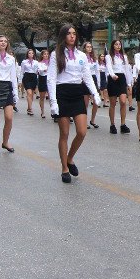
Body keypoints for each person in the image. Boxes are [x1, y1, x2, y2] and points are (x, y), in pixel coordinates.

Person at [47, 24, 101, 183]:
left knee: (82, 132)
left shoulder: (81, 55)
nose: (72, 36)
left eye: (74, 33)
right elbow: (51, 78)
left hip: (77, 92)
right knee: (64, 134)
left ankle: (70, 158)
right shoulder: (56, 54)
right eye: (69, 33)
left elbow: (87, 77)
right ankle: (64, 168)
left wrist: (95, 93)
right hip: (62, 92)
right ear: (63, 36)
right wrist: (53, 102)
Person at [105, 40, 131, 135]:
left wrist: (129, 83)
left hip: (122, 78)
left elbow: (127, 70)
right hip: (113, 79)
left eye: (119, 44)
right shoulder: (108, 56)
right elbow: (109, 67)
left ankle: (123, 124)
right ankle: (112, 125)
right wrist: (112, 75)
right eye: (116, 44)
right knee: (113, 103)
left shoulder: (124, 57)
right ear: (113, 46)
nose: (118, 46)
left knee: (123, 102)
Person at [81, 42, 100, 129]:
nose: (89, 48)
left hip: (93, 78)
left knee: (96, 101)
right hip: (85, 79)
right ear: (84, 48)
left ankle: (92, 120)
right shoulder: (82, 57)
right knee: (85, 103)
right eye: (87, 47)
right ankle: (84, 121)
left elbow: (97, 71)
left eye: (90, 47)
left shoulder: (94, 58)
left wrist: (98, 83)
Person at [20, 48, 39, 116]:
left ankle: (29, 107)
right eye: (29, 53)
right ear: (27, 54)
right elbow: (22, 71)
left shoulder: (36, 62)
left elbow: (37, 71)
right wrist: (20, 80)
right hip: (27, 77)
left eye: (32, 53)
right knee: (29, 93)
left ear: (34, 54)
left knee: (32, 94)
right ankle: (30, 109)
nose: (31, 54)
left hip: (34, 77)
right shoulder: (24, 62)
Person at [37, 49, 50, 119]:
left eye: (47, 54)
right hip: (43, 79)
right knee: (42, 97)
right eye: (45, 54)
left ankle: (54, 112)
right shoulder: (40, 63)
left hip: (50, 79)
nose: (46, 55)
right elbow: (40, 71)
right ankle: (42, 112)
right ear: (42, 55)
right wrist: (44, 70)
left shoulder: (51, 63)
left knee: (51, 96)